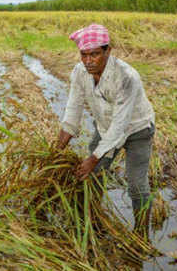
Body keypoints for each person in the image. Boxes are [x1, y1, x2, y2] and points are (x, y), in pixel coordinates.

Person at [57, 24, 155, 239]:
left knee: (137, 184)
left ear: (107, 51)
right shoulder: (79, 72)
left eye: (95, 54)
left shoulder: (127, 77)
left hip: (137, 129)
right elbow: (73, 108)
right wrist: (57, 149)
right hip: (105, 127)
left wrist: (94, 157)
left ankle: (141, 235)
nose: (89, 60)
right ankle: (92, 221)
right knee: (91, 177)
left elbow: (121, 125)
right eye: (84, 55)